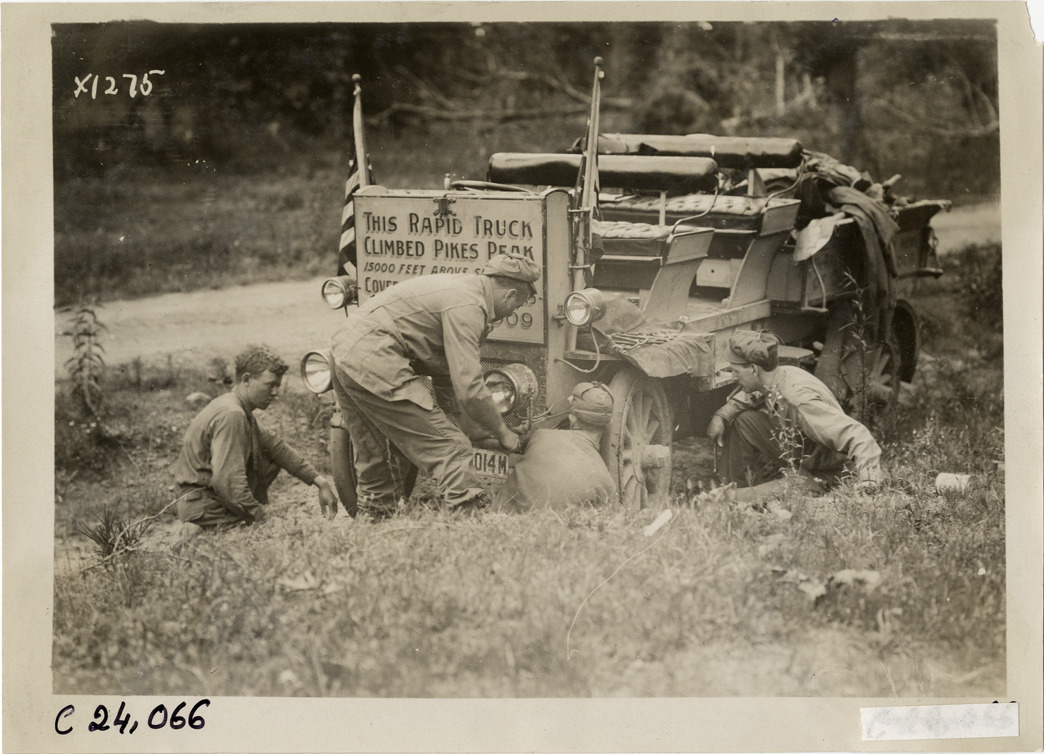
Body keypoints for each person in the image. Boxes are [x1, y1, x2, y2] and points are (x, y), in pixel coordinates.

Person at [329, 252, 540, 518]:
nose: (512, 313)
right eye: (517, 307)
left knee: (378, 454)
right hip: (373, 356)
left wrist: (482, 432)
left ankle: (374, 525)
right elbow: (470, 388)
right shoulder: (469, 306)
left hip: (344, 351)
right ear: (510, 295)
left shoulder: (462, 290)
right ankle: (469, 523)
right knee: (451, 450)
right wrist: (504, 433)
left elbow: (448, 386)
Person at [173, 345, 339, 531]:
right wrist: (263, 518)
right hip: (204, 506)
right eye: (270, 385)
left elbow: (278, 449)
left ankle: (216, 525)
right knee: (279, 534)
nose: (275, 393)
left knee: (270, 454)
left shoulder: (236, 408)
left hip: (207, 500)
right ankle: (201, 529)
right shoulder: (232, 414)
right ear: (246, 380)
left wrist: (320, 483)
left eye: (277, 386)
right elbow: (228, 482)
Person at [707, 330, 883, 499]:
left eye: (736, 371)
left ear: (753, 369)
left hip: (832, 474)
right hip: (806, 456)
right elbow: (754, 393)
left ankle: (729, 499)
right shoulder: (780, 374)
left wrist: (869, 481)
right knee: (745, 421)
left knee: (737, 497)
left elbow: (858, 435)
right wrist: (722, 415)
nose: (735, 377)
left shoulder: (800, 401)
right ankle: (730, 486)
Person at [494, 382, 617, 513]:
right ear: (609, 422)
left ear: (572, 418)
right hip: (551, 525)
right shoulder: (606, 483)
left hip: (500, 518)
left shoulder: (541, 436)